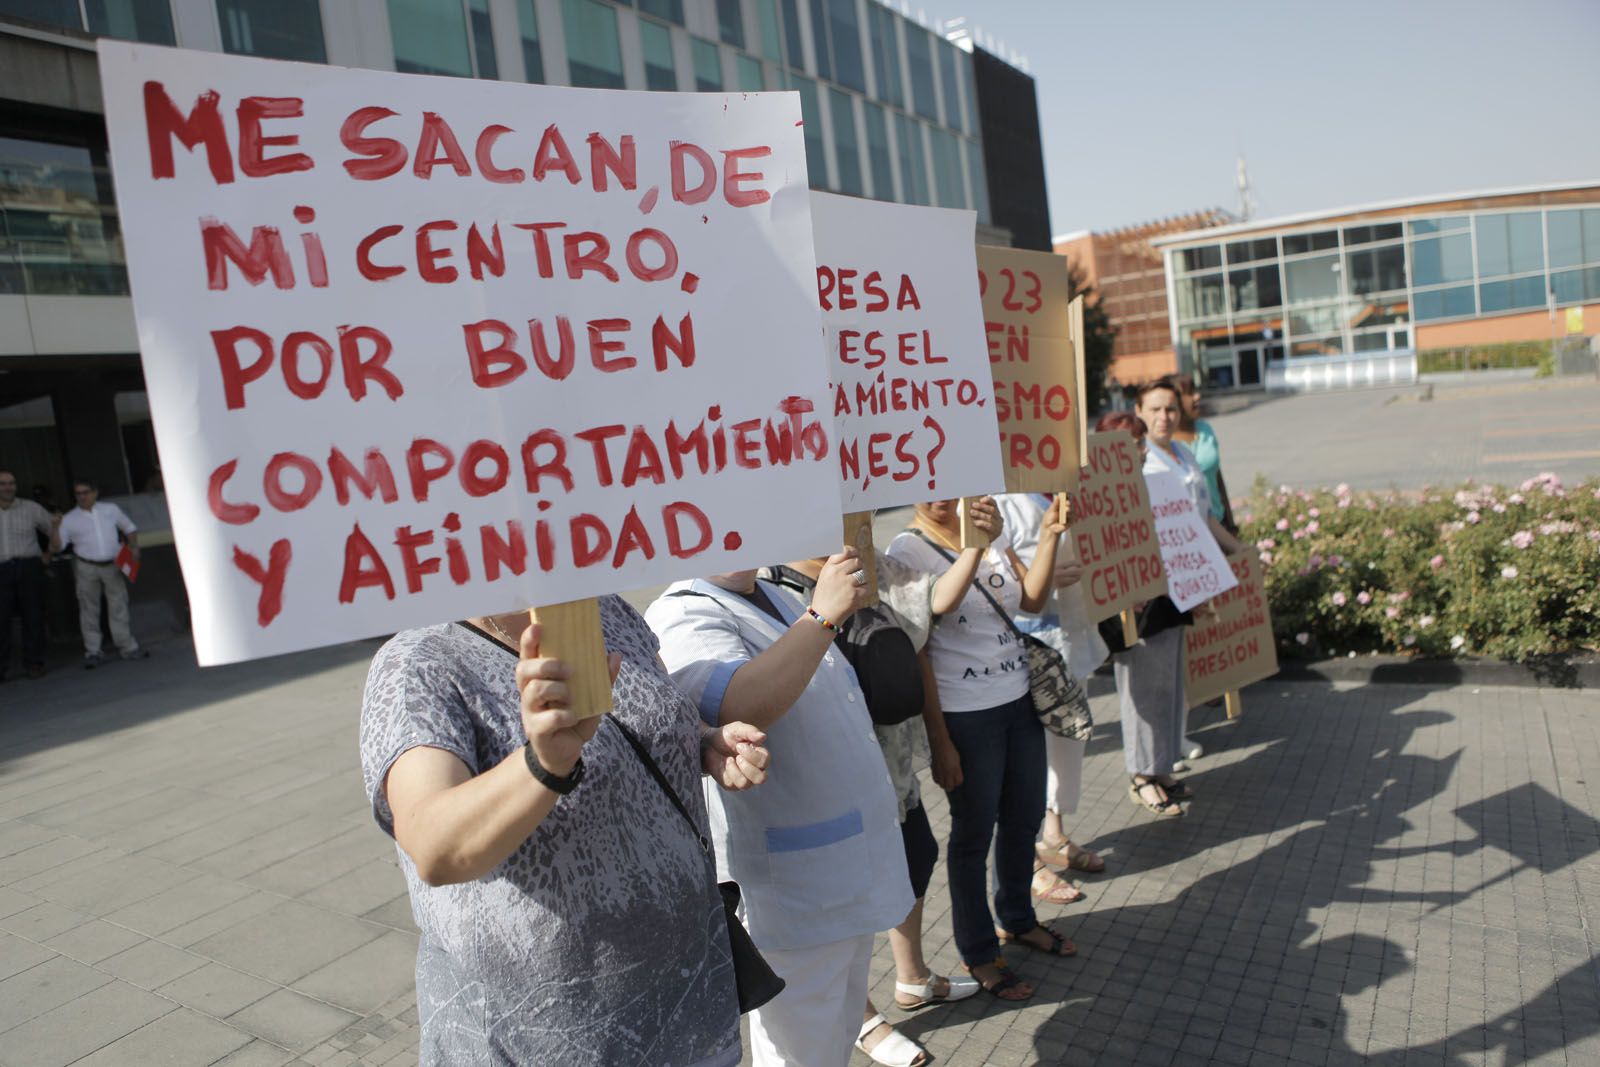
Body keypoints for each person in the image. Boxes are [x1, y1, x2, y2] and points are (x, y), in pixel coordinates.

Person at [360, 595, 771, 1065]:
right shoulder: (416, 660)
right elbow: (434, 846)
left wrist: (703, 742)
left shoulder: (603, 608)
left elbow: (657, 711)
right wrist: (542, 764)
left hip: (692, 1009)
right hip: (546, 1039)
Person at [648, 548, 913, 1067]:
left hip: (846, 864)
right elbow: (738, 704)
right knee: (800, 1051)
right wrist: (823, 616)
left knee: (835, 1032)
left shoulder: (774, 593)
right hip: (795, 883)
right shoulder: (682, 611)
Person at [766, 552, 978, 1067]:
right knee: (846, 901)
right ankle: (862, 1017)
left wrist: (976, 545)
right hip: (831, 784)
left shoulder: (870, 560)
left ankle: (913, 976)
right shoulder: (771, 588)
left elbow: (928, 612)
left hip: (893, 769)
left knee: (915, 860)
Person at [886, 498, 1072, 1003]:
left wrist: (1051, 534)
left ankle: (1017, 918)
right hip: (966, 715)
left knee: (1025, 817)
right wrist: (940, 740)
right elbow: (925, 636)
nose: (942, 495)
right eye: (927, 484)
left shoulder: (990, 525)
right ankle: (979, 951)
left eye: (950, 481)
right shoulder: (907, 549)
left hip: (1019, 701)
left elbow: (1031, 601)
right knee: (973, 833)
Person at [995, 492, 1109, 904]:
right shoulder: (999, 500)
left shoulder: (1066, 487)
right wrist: (1040, 574)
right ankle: (1025, 860)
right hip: (1030, 643)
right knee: (1028, 760)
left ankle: (1054, 834)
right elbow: (998, 568)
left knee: (1066, 745)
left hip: (1071, 637)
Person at [1138, 381, 1250, 766]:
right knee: (1161, 670)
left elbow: (1204, 516)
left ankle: (1176, 738)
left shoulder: (1185, 453)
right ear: (1139, 412)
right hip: (1163, 581)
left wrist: (1237, 549)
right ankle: (1162, 752)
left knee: (1185, 662)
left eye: (1170, 409)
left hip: (1195, 570)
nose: (1163, 417)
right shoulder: (1140, 462)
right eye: (1154, 409)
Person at [55, 480, 147, 667]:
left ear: (95, 493)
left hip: (113, 563)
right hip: (86, 565)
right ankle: (93, 650)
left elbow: (129, 528)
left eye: (86, 492)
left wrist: (134, 546)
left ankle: (127, 646)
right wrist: (54, 528)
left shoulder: (110, 509)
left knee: (118, 604)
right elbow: (58, 547)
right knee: (89, 608)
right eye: (78, 493)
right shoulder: (69, 518)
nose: (82, 496)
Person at [0, 470, 56, 681]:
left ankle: (34, 663)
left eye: (11, 483)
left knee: (32, 616)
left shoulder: (31, 508)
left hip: (28, 566)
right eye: (3, 484)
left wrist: (48, 554)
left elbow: (56, 529)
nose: (8, 487)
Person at [1167, 374, 1237, 533]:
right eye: (1190, 393)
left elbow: (1216, 477)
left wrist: (1231, 525)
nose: (1197, 396)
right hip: (1187, 533)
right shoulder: (1164, 442)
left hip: (1220, 525)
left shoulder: (1205, 429)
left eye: (1196, 391)